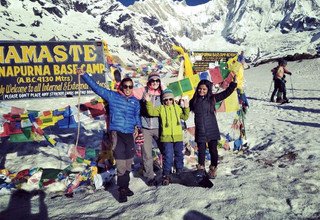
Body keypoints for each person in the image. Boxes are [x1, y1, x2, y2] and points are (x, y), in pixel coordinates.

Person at [76, 67, 142, 203]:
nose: (128, 89)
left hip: (129, 134)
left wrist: (139, 128)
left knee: (129, 162)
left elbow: (137, 116)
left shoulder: (135, 101)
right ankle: (122, 190)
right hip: (117, 133)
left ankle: (125, 185)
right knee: (121, 162)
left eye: (130, 86)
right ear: (121, 87)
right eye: (125, 86)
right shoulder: (112, 96)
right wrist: (84, 75)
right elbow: (96, 88)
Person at [190, 76, 237, 178]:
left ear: (208, 90)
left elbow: (226, 93)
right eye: (200, 88)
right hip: (200, 130)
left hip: (212, 129)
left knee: (213, 151)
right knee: (201, 152)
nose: (201, 91)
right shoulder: (193, 101)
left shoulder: (212, 99)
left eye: (204, 89)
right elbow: (184, 109)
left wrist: (233, 84)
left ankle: (213, 169)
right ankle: (201, 170)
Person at [144, 89, 190, 185]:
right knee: (168, 156)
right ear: (163, 100)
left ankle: (179, 171)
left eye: (170, 99)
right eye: (165, 100)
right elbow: (151, 112)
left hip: (177, 137)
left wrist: (186, 107)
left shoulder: (177, 108)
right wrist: (148, 101)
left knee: (179, 155)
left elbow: (185, 117)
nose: (168, 101)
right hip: (166, 138)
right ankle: (166, 175)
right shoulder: (161, 108)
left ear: (173, 99)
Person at [133, 73, 163, 186]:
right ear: (149, 82)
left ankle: (167, 172)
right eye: (152, 81)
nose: (155, 83)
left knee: (165, 150)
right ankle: (149, 176)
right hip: (145, 128)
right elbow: (128, 93)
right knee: (146, 154)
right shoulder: (143, 91)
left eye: (157, 81)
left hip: (159, 127)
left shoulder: (163, 92)